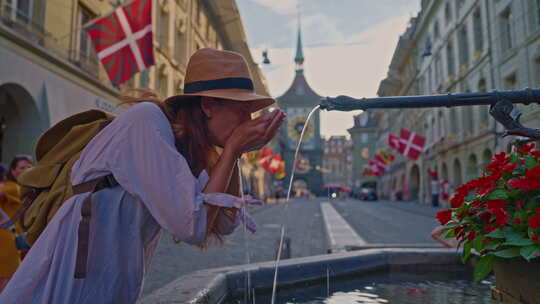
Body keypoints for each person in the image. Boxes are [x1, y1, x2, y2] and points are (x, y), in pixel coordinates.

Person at [0, 48, 285, 303]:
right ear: (208, 105)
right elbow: (192, 227)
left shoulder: (182, 145)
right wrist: (233, 148)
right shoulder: (146, 122)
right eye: (242, 111)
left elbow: (223, 223)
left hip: (108, 280)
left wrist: (233, 154)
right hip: (70, 276)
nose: (247, 123)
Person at [0, 155, 33, 292]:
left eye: (29, 167)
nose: (26, 170)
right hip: (6, 240)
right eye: (22, 167)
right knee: (7, 282)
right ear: (13, 171)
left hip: (13, 239)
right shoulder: (12, 188)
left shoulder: (24, 187)